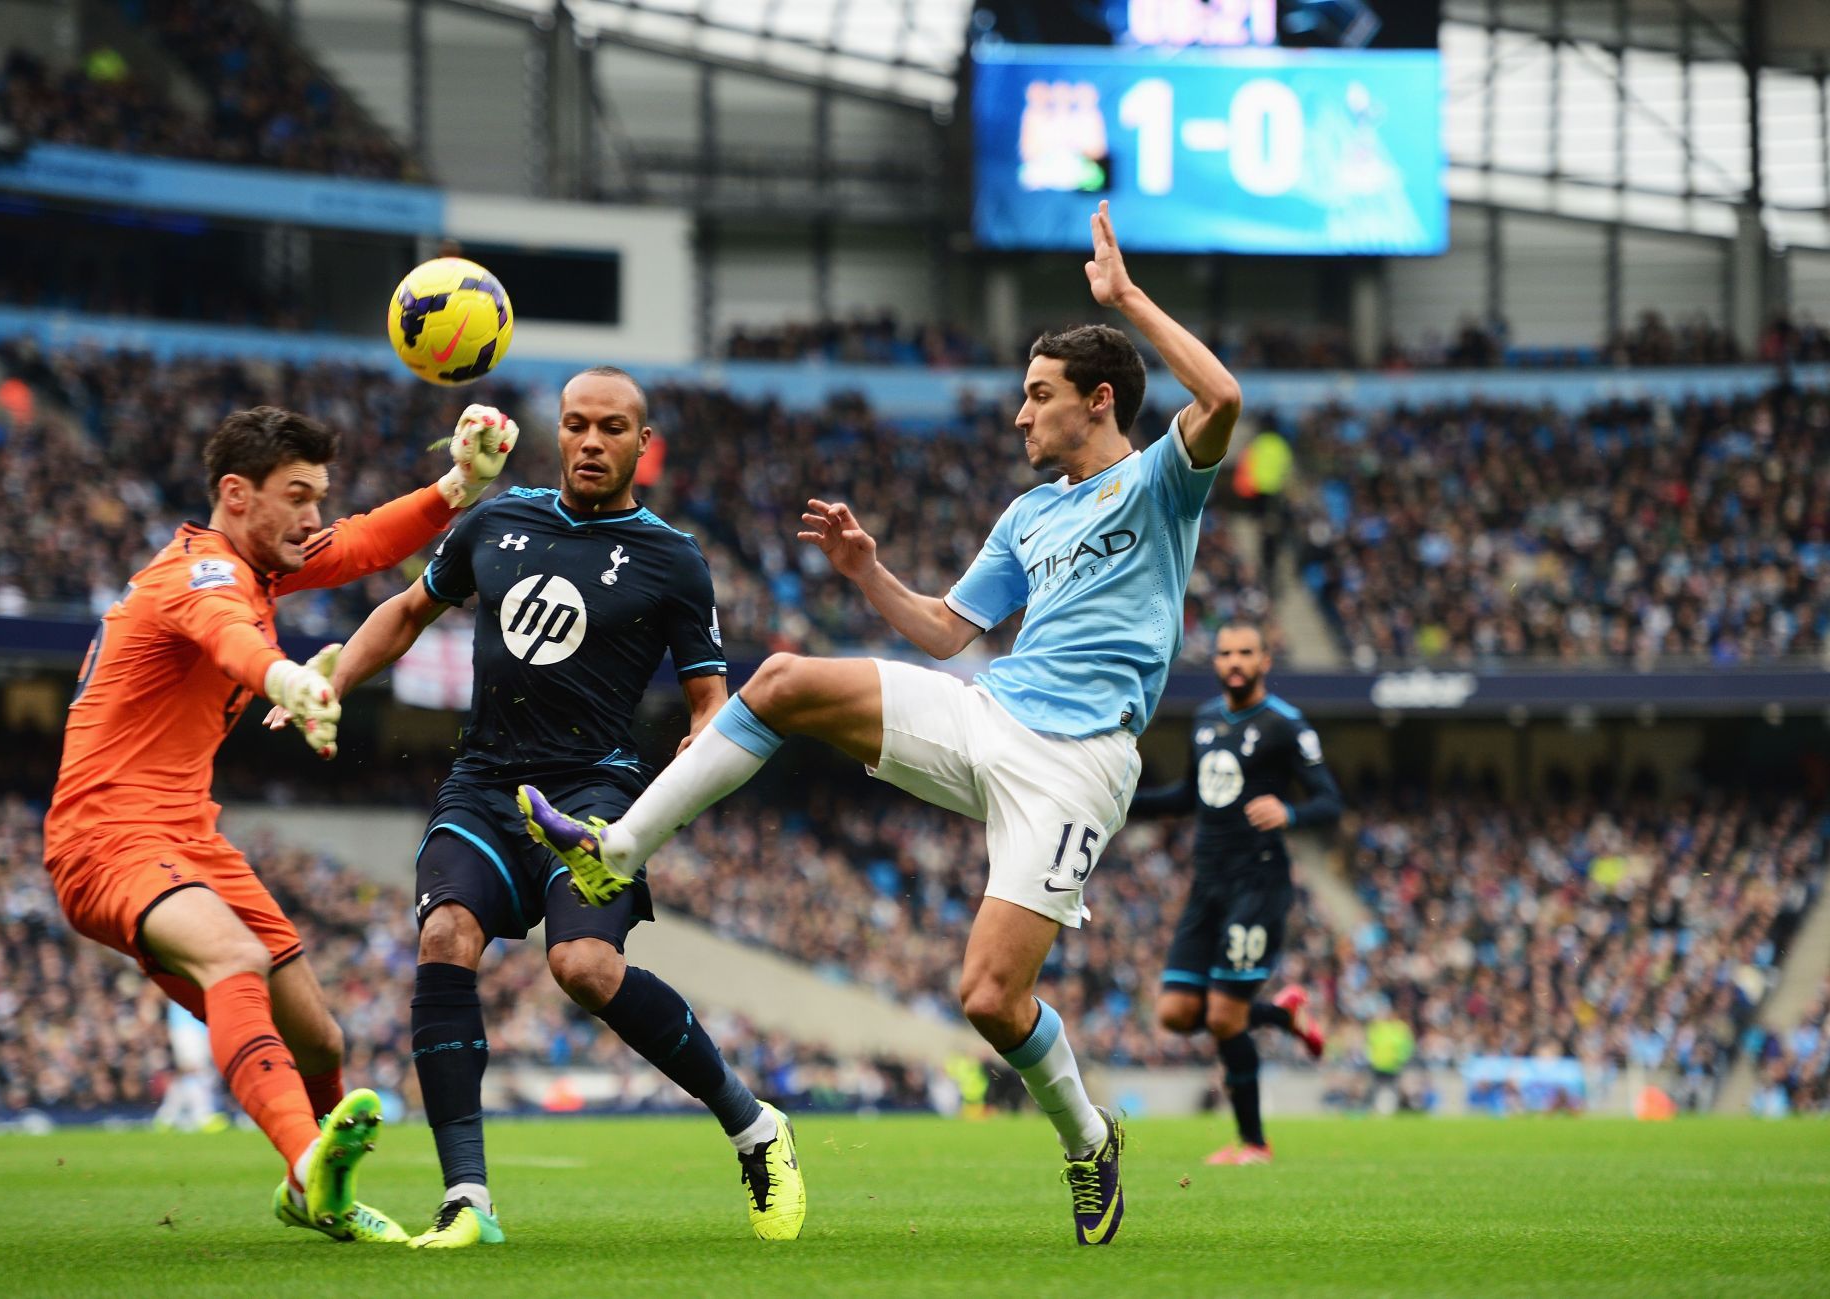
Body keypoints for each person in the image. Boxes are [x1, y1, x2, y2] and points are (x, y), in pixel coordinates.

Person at [520, 202, 1240, 1246]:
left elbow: (1221, 394)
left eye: (1036, 396)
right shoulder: (1027, 515)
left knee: (992, 999)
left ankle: (1088, 1142)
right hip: (989, 712)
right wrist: (869, 574)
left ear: (1098, 401)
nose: (1017, 415)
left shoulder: (1162, 481)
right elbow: (947, 632)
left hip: (1077, 766)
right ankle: (618, 848)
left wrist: (1125, 298)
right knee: (780, 682)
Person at [301, 366, 804, 1248]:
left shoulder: (674, 558)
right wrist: (331, 679)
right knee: (445, 934)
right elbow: (411, 609)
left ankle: (754, 1125)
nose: (591, 442)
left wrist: (699, 746)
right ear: (558, 433)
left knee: (582, 969)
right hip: (484, 783)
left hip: (596, 795)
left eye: (613, 428)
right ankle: (468, 1199)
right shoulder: (497, 520)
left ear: (642, 446)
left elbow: (708, 696)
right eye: (577, 425)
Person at [45, 402, 516, 1242]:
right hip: (106, 837)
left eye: (319, 495)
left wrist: (461, 484)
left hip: (189, 835)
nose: (313, 516)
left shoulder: (254, 565)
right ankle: (308, 1174)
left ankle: (327, 1186)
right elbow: (228, 638)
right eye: (298, 495)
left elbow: (362, 542)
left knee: (318, 1035)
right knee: (235, 955)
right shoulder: (199, 575)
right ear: (237, 493)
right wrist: (288, 681)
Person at [1126, 621, 1341, 1165]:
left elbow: (1328, 801)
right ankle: (1282, 1016)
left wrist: (1289, 811)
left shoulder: (1285, 725)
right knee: (1175, 1012)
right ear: (1216, 662)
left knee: (1223, 1017)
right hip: (1208, 884)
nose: (1235, 661)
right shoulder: (1204, 719)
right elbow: (1187, 796)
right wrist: (1122, 802)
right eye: (1225, 653)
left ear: (1266, 659)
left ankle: (1254, 1142)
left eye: (1246, 652)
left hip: (1258, 883)